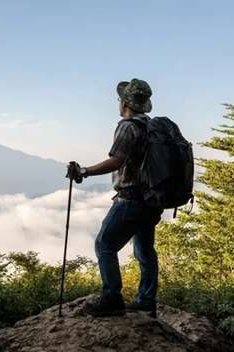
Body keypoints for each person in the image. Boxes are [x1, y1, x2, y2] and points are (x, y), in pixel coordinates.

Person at [67, 78, 163, 318]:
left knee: (104, 245)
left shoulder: (128, 126)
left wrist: (85, 171)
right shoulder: (150, 126)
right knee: (145, 251)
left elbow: (117, 160)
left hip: (130, 199)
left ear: (124, 103)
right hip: (151, 201)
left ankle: (112, 298)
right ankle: (146, 301)